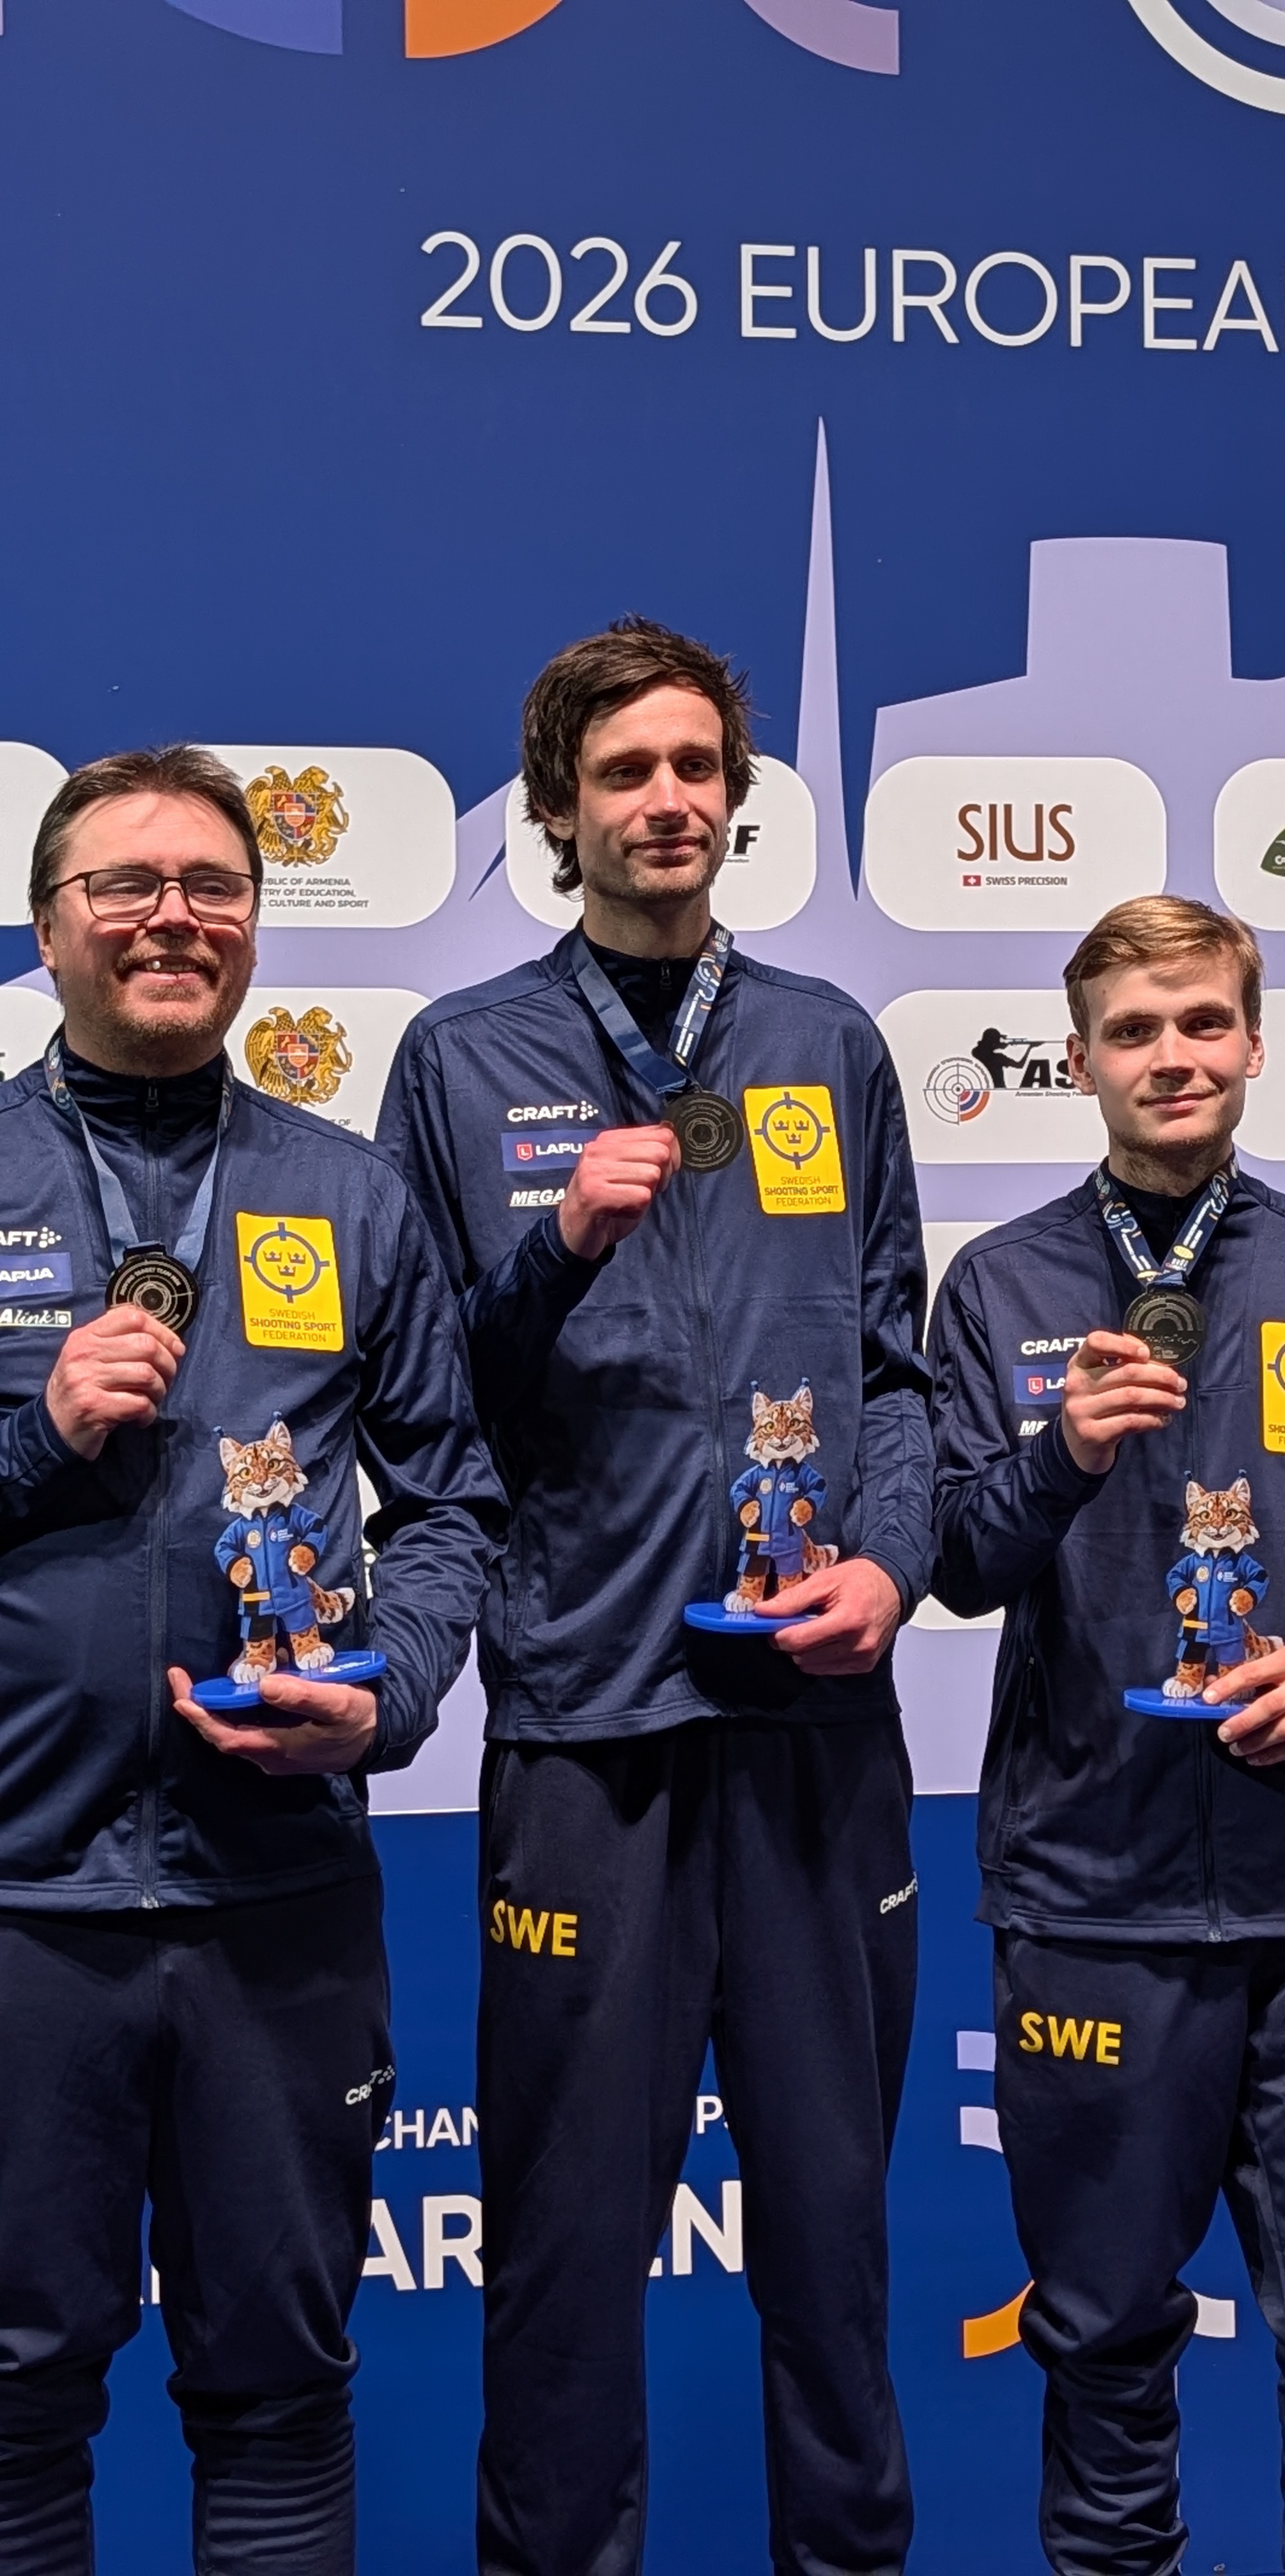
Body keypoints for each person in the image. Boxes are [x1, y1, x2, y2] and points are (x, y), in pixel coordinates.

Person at [379, 617, 934, 2576]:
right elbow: (421, 1404)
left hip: (810, 1734)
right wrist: (553, 1251)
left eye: (697, 765)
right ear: (556, 811)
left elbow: (898, 1375)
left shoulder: (825, 1045)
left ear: (739, 795)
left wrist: (892, 1564)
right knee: (556, 2270)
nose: (668, 799)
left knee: (833, 2260)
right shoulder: (462, 1060)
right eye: (624, 771)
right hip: (586, 1733)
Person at [0, 745, 505, 2576]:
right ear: (48, 923)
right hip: (21, 1910)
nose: (173, 918)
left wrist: (388, 1691)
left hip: (276, 1903)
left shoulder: (349, 1194)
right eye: (126, 885)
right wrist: (35, 1436)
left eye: (213, 886)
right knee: (12, 2406)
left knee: (280, 2396)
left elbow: (453, 1507)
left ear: (255, 927)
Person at [928, 893, 1285, 2576]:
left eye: (1203, 1021)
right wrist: (1060, 1456)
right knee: (1099, 2351)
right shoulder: (1000, 1284)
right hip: (1091, 1897)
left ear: (1253, 1040)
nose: (1174, 1056)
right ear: (1080, 1059)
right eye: (1136, 1030)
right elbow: (951, 1561)